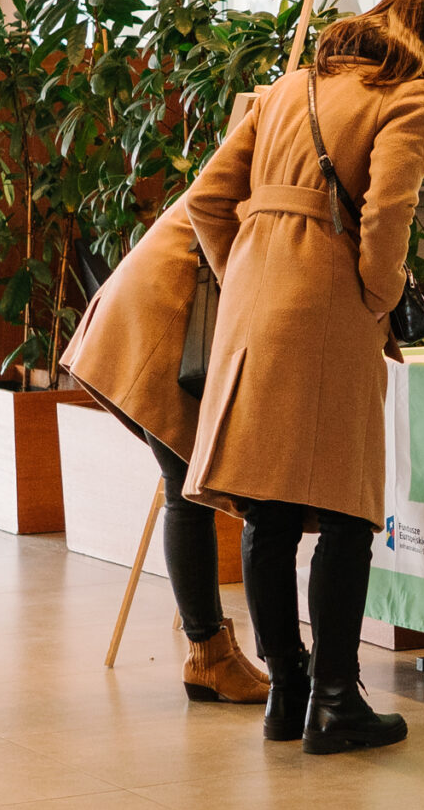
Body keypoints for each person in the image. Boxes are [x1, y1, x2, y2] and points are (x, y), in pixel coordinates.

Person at [178, 0, 424, 754]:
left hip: (253, 302)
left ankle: (288, 691)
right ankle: (337, 702)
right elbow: (388, 214)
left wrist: (246, 270)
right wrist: (377, 296)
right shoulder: (412, 95)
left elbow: (206, 198)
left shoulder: (286, 89)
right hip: (329, 302)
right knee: (347, 510)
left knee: (267, 510)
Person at [61, 216, 270, 706]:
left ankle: (209, 652)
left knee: (184, 484)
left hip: (164, 302)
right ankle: (207, 655)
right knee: (185, 482)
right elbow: (211, 206)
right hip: (167, 311)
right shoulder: (273, 139)